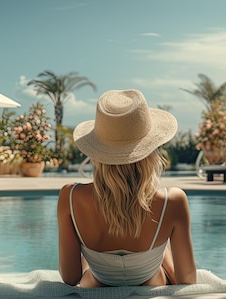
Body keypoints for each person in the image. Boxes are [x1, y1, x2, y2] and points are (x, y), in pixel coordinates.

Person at [57, 89, 197, 287]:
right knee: (161, 247)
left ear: (98, 153)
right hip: (152, 284)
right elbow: (187, 280)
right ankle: (157, 250)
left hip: (96, 286)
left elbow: (70, 277)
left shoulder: (71, 197)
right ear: (150, 151)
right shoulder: (172, 201)